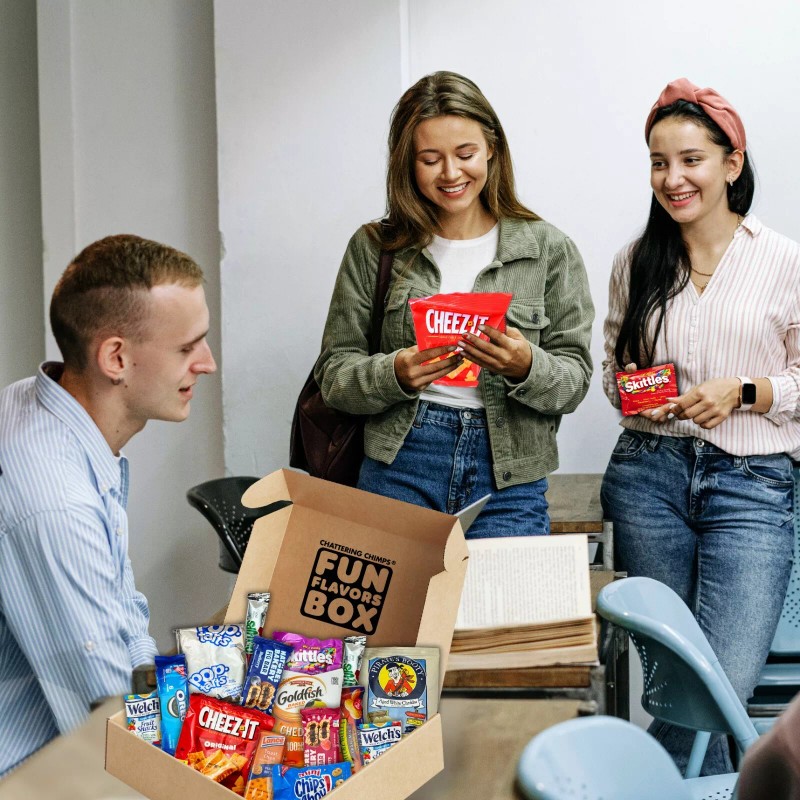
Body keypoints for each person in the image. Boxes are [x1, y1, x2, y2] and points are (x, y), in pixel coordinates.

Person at [601, 78, 800, 775]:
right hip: (646, 479)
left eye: (691, 159)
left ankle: (628, 783)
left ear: (731, 164)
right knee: (677, 684)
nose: (672, 177)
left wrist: (747, 392)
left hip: (752, 486)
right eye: (659, 162)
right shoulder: (636, 262)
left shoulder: (784, 259)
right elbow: (612, 372)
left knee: (717, 687)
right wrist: (634, 396)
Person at [315, 71, 593, 537]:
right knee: (401, 612)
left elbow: (576, 381)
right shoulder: (374, 247)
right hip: (400, 464)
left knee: (505, 611)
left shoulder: (548, 249)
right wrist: (394, 373)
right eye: (430, 159)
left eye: (465, 154)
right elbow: (334, 376)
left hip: (510, 474)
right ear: (407, 164)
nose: (451, 173)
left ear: (492, 150)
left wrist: (526, 365)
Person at [0, 234, 216, 777]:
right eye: (188, 348)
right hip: (33, 771)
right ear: (116, 357)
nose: (208, 364)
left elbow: (120, 622)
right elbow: (114, 716)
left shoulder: (40, 402)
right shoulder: (56, 505)